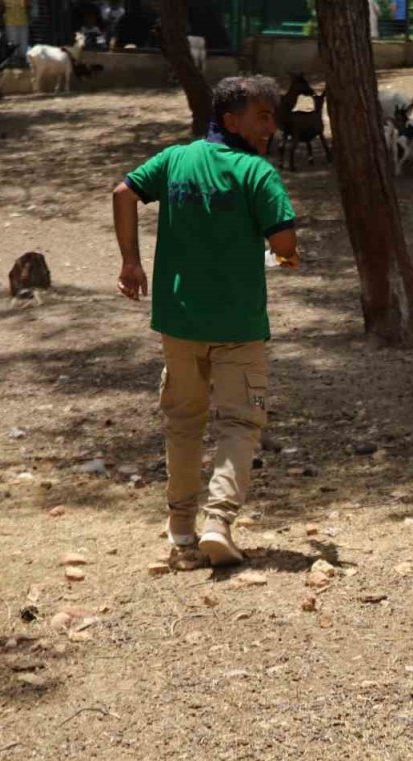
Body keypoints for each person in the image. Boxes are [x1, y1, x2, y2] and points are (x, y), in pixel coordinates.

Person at [112, 76, 298, 568]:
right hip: (239, 326)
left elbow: (123, 192)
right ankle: (218, 522)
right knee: (240, 422)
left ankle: (179, 529)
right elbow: (284, 247)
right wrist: (283, 253)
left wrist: (131, 262)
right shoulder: (257, 173)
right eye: (262, 116)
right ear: (231, 120)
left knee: (182, 423)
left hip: (179, 323)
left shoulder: (174, 160)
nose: (271, 127)